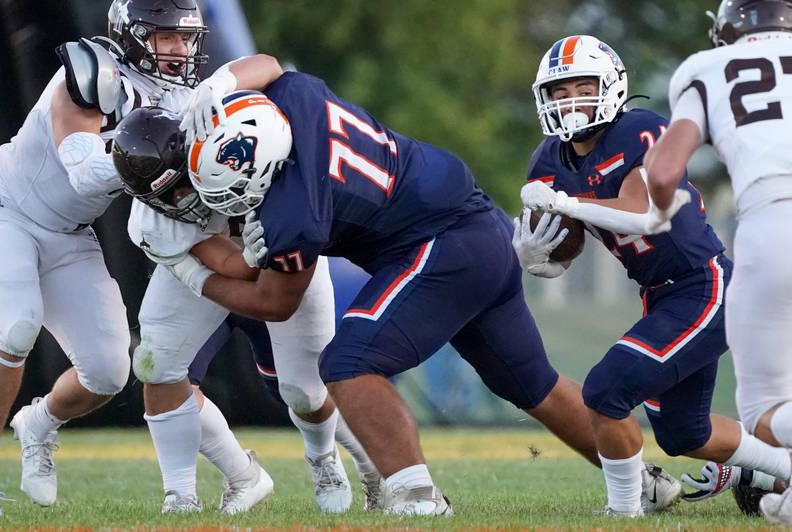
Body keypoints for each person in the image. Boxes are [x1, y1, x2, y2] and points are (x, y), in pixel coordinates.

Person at [167, 67, 683, 514]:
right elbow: (268, 64)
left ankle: (417, 496)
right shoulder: (292, 98)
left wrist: (193, 270)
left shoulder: (292, 211)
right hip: (476, 225)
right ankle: (642, 482)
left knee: (348, 363)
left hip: (441, 243)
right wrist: (218, 86)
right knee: (532, 385)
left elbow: (274, 303)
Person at [517, 34, 791, 518]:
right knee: (686, 433)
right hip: (661, 295)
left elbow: (643, 213)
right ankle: (782, 466)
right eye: (560, 91)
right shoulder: (548, 160)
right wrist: (541, 257)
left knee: (605, 391)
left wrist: (562, 202)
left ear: (612, 86)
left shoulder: (639, 129)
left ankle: (624, 511)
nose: (571, 100)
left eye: (583, 85)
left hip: (703, 285)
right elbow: (571, 240)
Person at [0, 0, 214, 516]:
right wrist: (151, 156)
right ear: (133, 36)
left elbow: (261, 67)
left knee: (109, 373)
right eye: (166, 37)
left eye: (186, 38)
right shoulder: (96, 72)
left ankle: (39, 423)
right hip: (8, 212)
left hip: (70, 233)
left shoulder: (186, 98)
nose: (180, 50)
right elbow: (85, 173)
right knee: (15, 328)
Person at [112, 106, 381, 514]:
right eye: (165, 197)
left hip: (288, 252)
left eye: (181, 186)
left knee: (304, 391)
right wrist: (249, 259)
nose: (180, 201)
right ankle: (184, 493)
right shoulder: (155, 221)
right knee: (156, 361)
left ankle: (347, 461)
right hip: (213, 267)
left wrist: (278, 238)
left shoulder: (238, 148)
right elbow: (227, 267)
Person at [643, 0, 792, 524]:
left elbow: (662, 171)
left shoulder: (706, 69)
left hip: (774, 220)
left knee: (766, 416)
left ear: (727, 28)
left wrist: (659, 215)